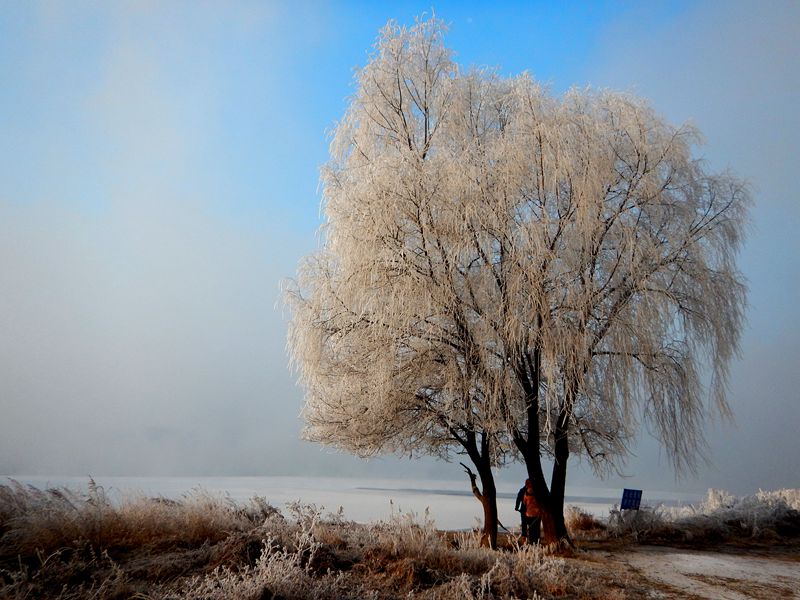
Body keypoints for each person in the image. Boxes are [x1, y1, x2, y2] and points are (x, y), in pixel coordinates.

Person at [522, 479, 541, 544]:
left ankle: (532, 542)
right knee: (537, 529)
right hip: (537, 514)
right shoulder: (538, 492)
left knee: (531, 529)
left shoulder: (526, 493)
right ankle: (536, 542)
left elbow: (524, 503)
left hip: (529, 514)